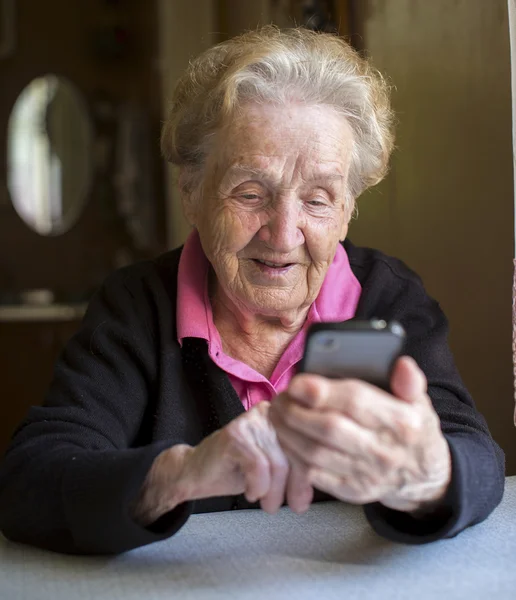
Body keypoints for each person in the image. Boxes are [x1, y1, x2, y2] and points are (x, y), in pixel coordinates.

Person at [0, 26, 504, 555]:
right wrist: (183, 473)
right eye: (250, 192)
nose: (283, 235)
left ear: (349, 208)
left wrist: (428, 473)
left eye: (318, 200)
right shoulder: (137, 306)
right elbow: (31, 481)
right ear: (191, 192)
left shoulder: (389, 299)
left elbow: (474, 454)